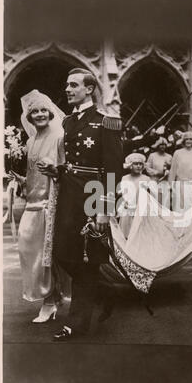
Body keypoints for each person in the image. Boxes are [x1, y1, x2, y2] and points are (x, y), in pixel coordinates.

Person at [38, 68, 123, 340]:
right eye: (66, 85)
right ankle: (105, 290)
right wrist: (57, 170)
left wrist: (104, 209)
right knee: (62, 253)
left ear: (89, 89)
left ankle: (75, 324)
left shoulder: (107, 122)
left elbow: (112, 169)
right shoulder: (69, 122)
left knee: (86, 261)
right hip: (70, 196)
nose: (67, 89)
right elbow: (74, 163)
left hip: (92, 196)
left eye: (73, 85)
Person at [14, 90, 65, 323]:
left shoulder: (60, 137)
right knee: (28, 248)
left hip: (51, 201)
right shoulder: (30, 140)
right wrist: (24, 181)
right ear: (29, 115)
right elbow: (32, 171)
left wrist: (54, 170)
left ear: (50, 112)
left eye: (43, 110)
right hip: (32, 202)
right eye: (34, 111)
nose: (39, 114)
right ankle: (53, 296)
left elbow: (65, 168)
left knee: (47, 255)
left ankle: (50, 302)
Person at [168, 131, 192, 212]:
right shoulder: (178, 153)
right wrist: (170, 185)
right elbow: (173, 170)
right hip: (181, 184)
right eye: (187, 139)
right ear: (183, 141)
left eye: (190, 139)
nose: (188, 141)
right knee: (180, 207)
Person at [118, 153, 149, 239]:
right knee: (126, 232)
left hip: (141, 208)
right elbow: (122, 193)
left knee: (140, 233)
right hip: (128, 208)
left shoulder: (146, 178)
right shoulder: (125, 178)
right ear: (130, 165)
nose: (138, 166)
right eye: (136, 164)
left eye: (140, 164)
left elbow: (150, 195)